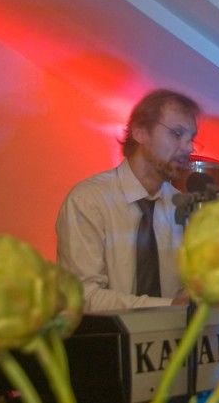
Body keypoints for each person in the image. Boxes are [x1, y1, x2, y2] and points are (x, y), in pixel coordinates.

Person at [56, 89, 200, 312]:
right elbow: (82, 297)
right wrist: (169, 306)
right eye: (177, 133)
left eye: (192, 139)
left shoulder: (181, 206)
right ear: (140, 132)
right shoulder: (88, 201)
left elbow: (189, 290)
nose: (188, 147)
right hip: (105, 335)